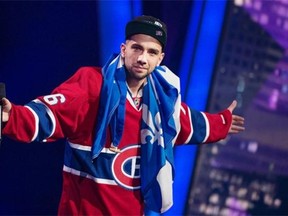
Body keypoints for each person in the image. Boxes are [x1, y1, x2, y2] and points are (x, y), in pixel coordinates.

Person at [1, 15, 244, 215]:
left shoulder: (162, 102)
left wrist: (222, 122)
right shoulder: (92, 85)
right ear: (123, 48)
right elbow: (48, 114)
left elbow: (188, 124)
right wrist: (10, 116)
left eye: (151, 52)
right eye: (137, 48)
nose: (142, 58)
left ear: (160, 59)